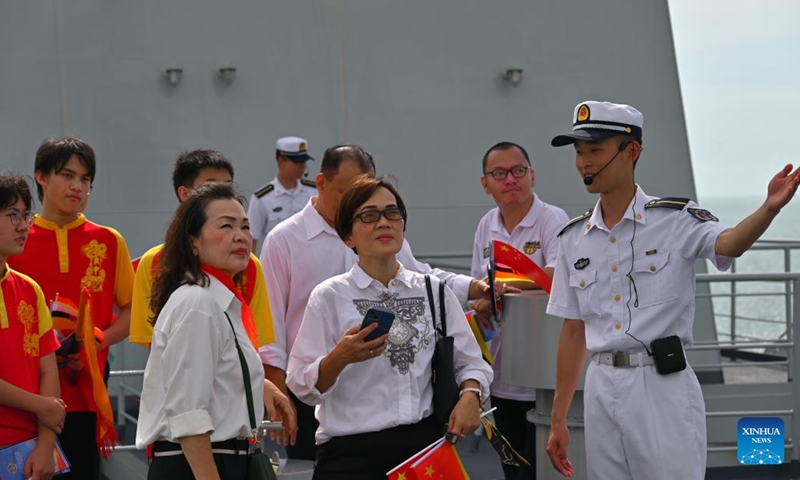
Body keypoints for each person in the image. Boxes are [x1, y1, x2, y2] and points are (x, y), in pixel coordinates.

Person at [544, 101, 800, 479]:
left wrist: (769, 209)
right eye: (579, 153)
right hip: (600, 386)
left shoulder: (676, 219)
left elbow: (728, 244)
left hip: (661, 386)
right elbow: (573, 330)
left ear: (631, 151)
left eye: (595, 150)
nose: (584, 162)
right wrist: (558, 418)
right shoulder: (572, 239)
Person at [260, 144, 491, 460]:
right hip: (346, 443)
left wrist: (471, 394)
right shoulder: (320, 288)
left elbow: (470, 359)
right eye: (368, 215)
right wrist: (337, 358)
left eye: (392, 213)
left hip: (425, 447)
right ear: (348, 237)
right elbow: (275, 336)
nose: (383, 223)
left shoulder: (431, 290)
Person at [135, 182, 296, 480]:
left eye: (245, 226)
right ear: (193, 242)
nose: (241, 236)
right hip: (201, 464)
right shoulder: (198, 304)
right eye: (226, 226)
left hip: (219, 459)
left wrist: (261, 386)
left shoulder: (217, 301)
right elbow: (188, 413)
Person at [7, 137, 135, 479]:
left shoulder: (109, 240)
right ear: (41, 177)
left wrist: (99, 340)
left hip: (87, 393)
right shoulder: (17, 238)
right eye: (67, 175)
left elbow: (132, 310)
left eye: (86, 179)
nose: (78, 186)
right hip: (22, 399)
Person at [471, 142, 569, 480]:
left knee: (546, 470)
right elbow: (478, 287)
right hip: (502, 371)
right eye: (500, 173)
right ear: (486, 183)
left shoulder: (552, 219)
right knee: (513, 469)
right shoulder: (486, 225)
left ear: (533, 176)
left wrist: (503, 283)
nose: (510, 179)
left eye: (518, 171)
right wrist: (484, 298)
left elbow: (559, 277)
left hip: (544, 374)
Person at [128, 149, 274, 350]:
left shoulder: (249, 264)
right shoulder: (155, 262)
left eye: (228, 187)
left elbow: (255, 340)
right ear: (184, 194)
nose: (223, 196)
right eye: (212, 187)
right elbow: (152, 338)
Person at [0, 172, 66, 480]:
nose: (24, 225)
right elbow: (47, 402)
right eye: (13, 215)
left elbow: (47, 370)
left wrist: (46, 443)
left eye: (27, 214)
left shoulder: (29, 289)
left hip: (27, 450)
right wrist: (42, 405)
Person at [248, 136, 318, 252]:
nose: (303, 166)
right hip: (277, 264)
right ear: (281, 161)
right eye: (297, 162)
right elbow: (251, 238)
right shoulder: (262, 198)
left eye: (304, 161)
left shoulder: (315, 191)